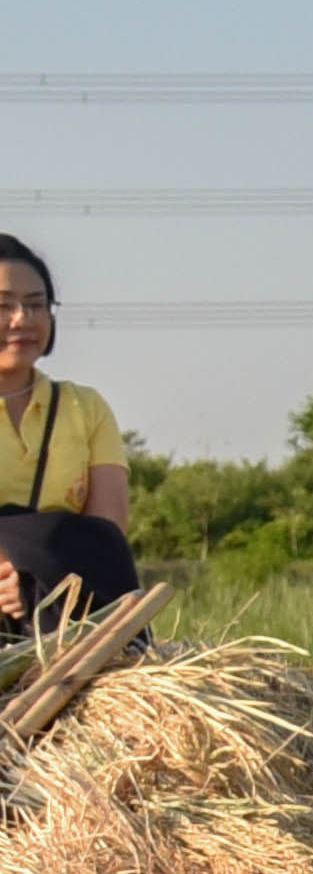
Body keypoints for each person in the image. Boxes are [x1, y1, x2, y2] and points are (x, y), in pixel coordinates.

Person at [0, 236, 139, 628]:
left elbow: (105, 536)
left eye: (35, 303)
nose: (22, 319)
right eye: (3, 305)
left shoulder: (85, 408)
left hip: (67, 621)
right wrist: (10, 578)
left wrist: (39, 584)